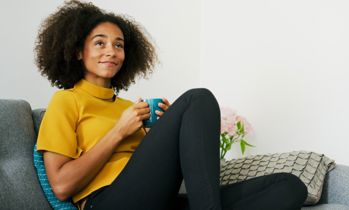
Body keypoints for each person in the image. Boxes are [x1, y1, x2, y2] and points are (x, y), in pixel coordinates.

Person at [35, 1, 308, 210]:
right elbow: (61, 186)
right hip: (107, 201)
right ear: (77, 52)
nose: (111, 51)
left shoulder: (131, 108)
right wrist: (118, 131)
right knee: (197, 98)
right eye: (99, 43)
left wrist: (168, 134)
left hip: (156, 200)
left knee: (290, 186)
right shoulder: (66, 100)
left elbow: (156, 170)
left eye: (119, 45)